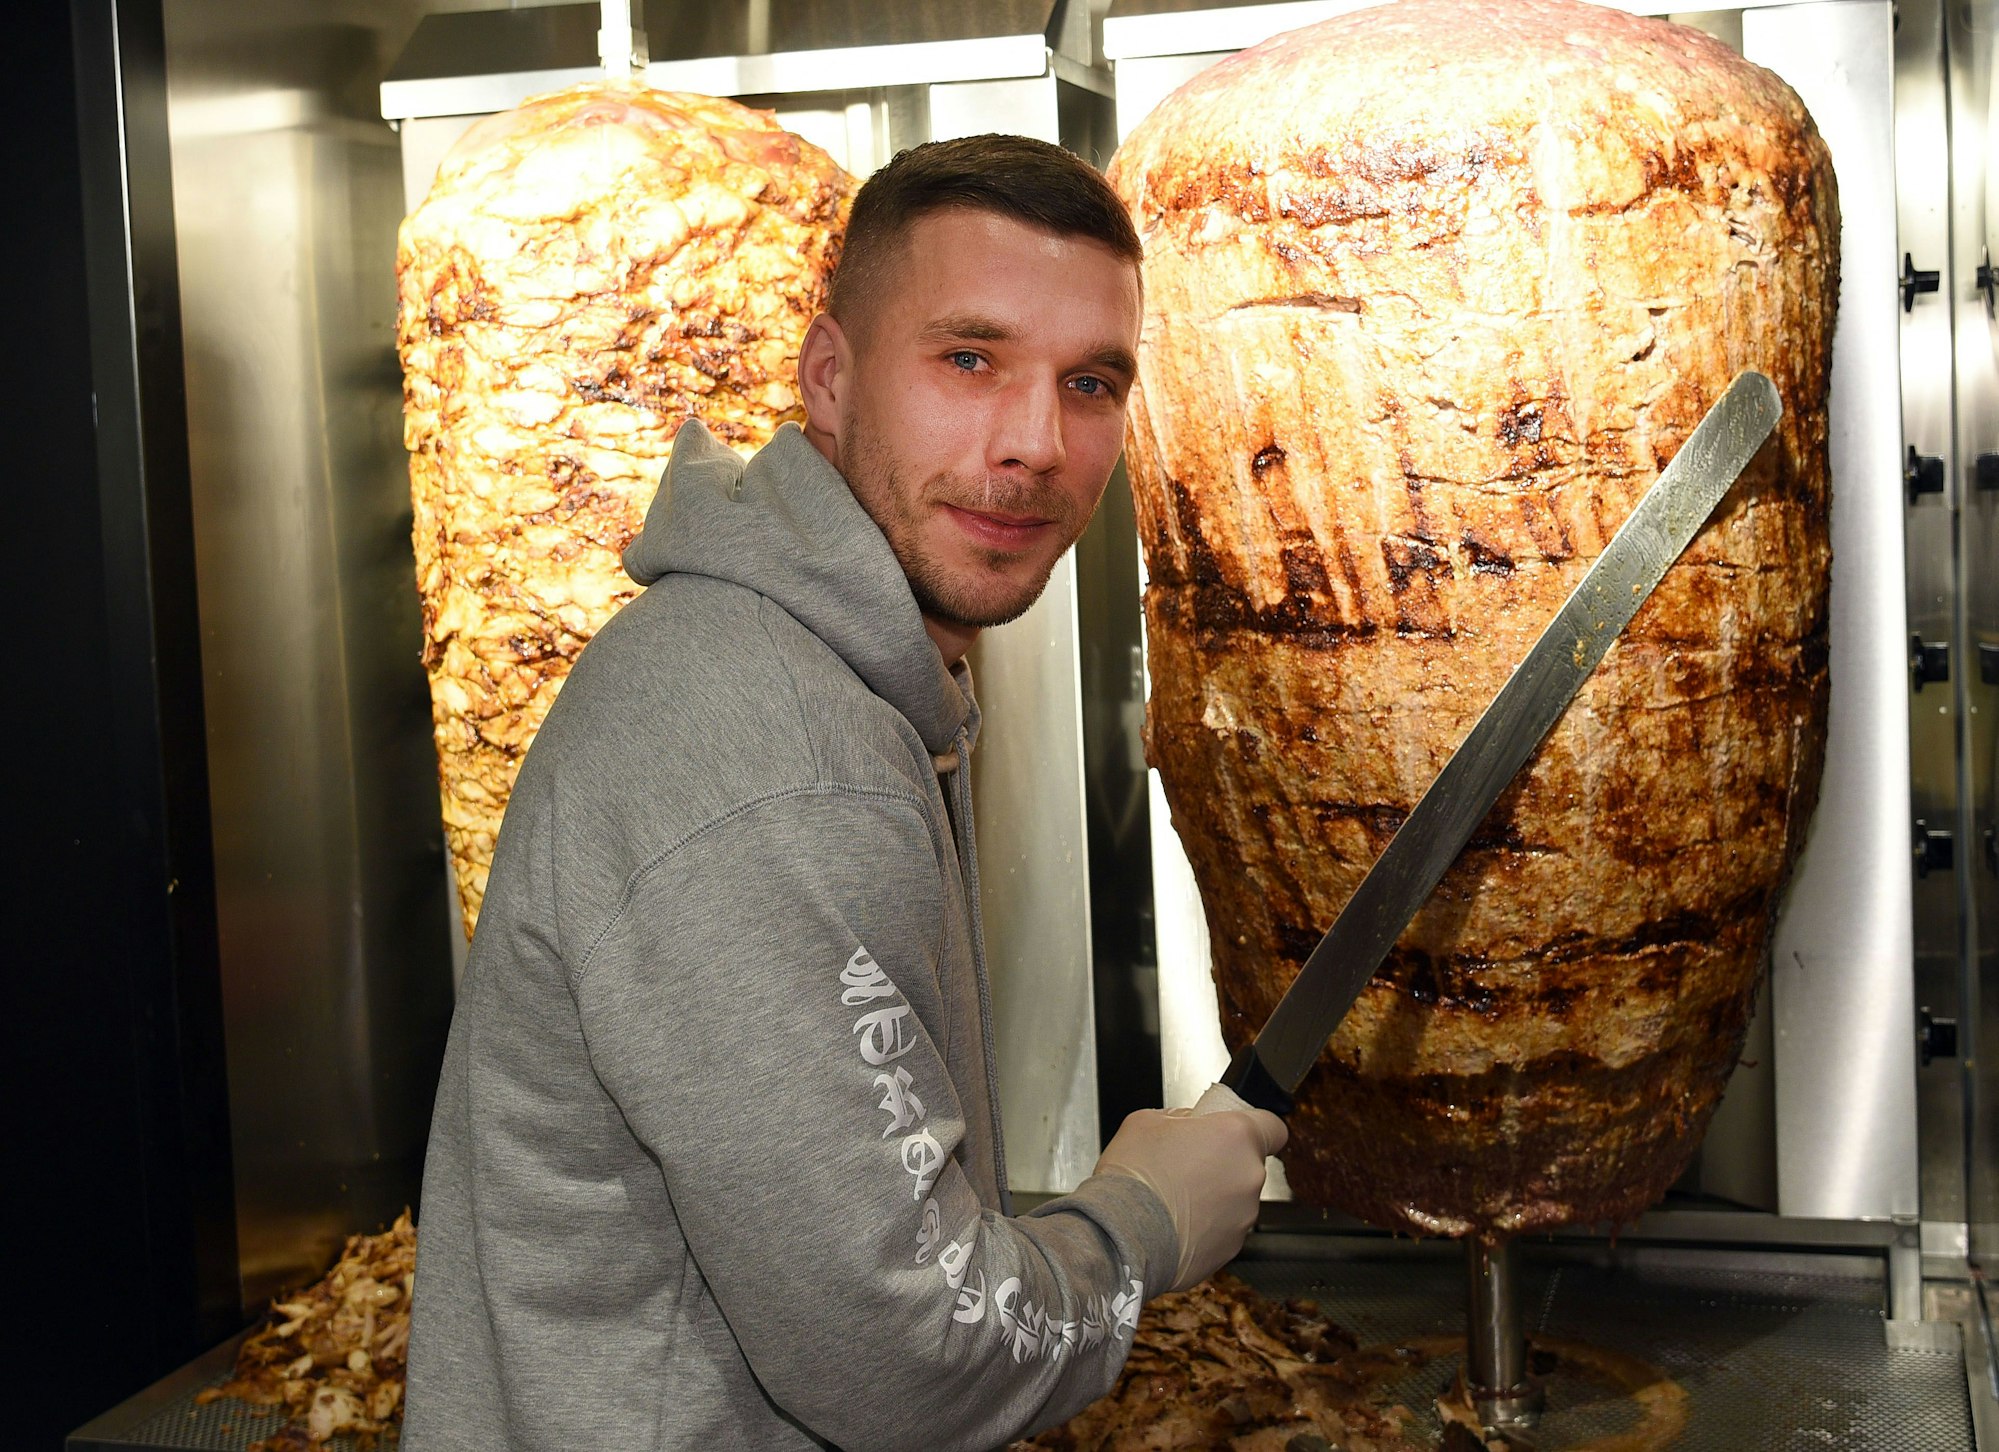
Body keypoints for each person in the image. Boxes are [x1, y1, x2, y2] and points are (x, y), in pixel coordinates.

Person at [403, 134, 1287, 1452]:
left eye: (1091, 382)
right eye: (969, 359)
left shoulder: (835, 682)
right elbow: (905, 1361)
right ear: (829, 378)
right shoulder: (778, 755)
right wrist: (1139, 1224)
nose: (1036, 445)